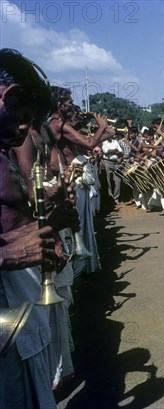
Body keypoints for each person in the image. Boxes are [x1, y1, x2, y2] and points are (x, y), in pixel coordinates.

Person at [0, 48, 77, 408]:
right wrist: (5, 254)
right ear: (6, 95)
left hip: (19, 308)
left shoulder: (3, 152)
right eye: (21, 116)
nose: (22, 130)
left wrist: (48, 224)